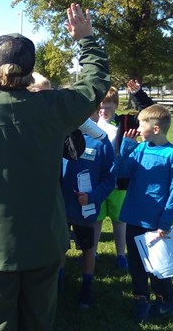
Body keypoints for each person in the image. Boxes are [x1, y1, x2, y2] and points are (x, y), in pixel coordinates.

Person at [0, 3, 110, 331]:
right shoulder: (53, 108)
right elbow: (94, 86)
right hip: (43, 242)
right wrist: (87, 40)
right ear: (30, 73)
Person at [118, 104, 173, 324]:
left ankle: (166, 302)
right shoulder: (140, 149)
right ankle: (141, 303)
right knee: (136, 265)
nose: (137, 127)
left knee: (158, 266)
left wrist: (165, 223)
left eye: (141, 123)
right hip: (133, 218)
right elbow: (122, 173)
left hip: (156, 223)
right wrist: (126, 147)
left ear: (156, 128)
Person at [94, 81, 154, 270]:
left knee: (120, 221)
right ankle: (93, 252)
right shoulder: (90, 124)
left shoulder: (126, 122)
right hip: (96, 181)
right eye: (100, 107)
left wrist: (138, 94)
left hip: (119, 181)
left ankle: (121, 254)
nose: (103, 111)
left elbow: (150, 113)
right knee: (96, 220)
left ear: (116, 106)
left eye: (108, 107)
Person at [59, 109, 115, 309]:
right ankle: (59, 282)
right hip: (61, 207)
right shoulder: (62, 135)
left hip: (85, 208)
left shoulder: (101, 141)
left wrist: (92, 196)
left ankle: (87, 285)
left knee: (88, 247)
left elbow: (110, 178)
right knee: (59, 247)